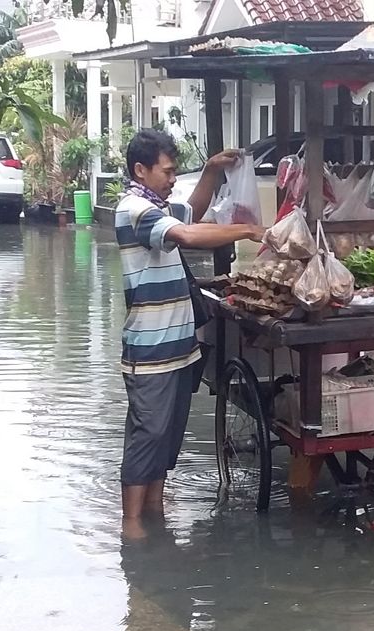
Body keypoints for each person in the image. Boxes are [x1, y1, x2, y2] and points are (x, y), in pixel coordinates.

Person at [116, 128, 266, 520]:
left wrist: (212, 171)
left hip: (179, 348)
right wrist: (248, 230)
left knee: (167, 439)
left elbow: (191, 214)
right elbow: (186, 233)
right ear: (140, 170)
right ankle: (132, 527)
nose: (171, 178)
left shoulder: (157, 207)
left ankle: (155, 513)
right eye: (166, 171)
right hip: (150, 352)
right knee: (147, 435)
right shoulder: (133, 210)